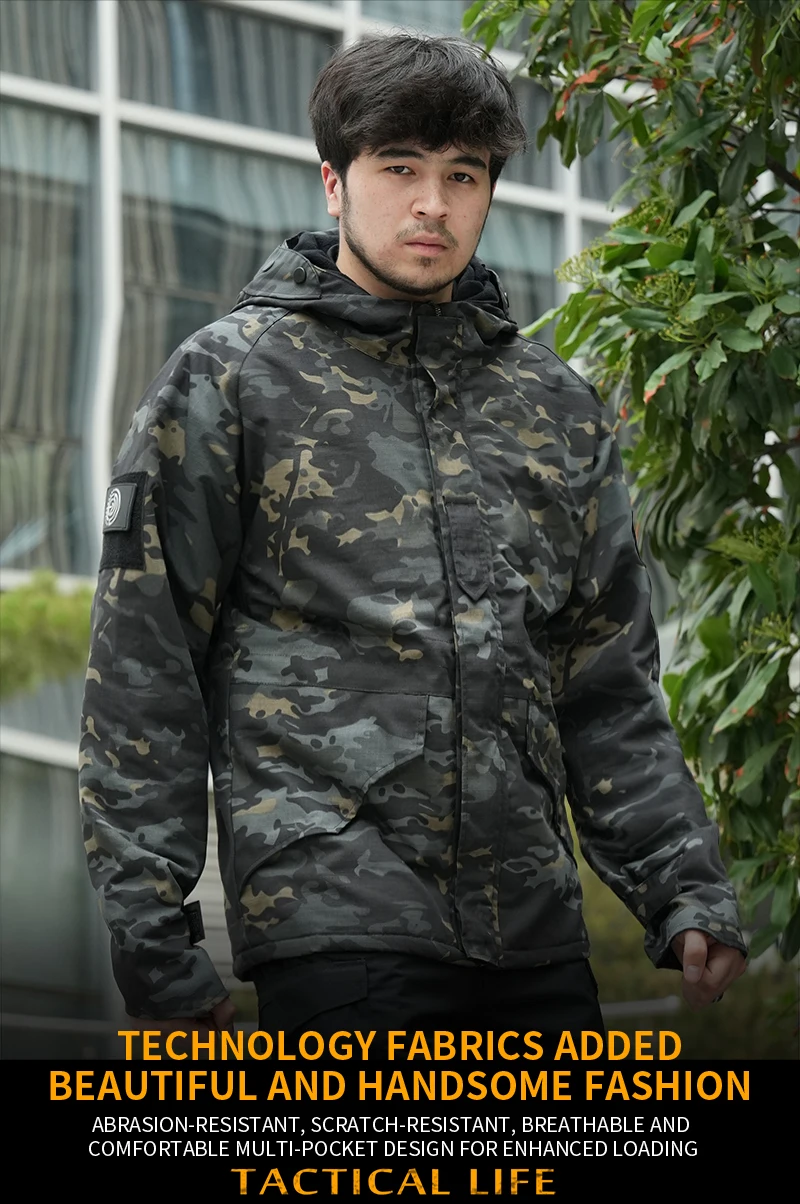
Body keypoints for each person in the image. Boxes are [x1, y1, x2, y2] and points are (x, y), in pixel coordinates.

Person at [79, 34, 746, 1045]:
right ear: (334, 183)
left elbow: (604, 683)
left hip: (533, 936)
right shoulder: (230, 380)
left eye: (461, 175)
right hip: (331, 921)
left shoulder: (556, 408)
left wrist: (682, 883)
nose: (432, 203)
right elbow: (144, 666)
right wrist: (151, 937)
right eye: (399, 168)